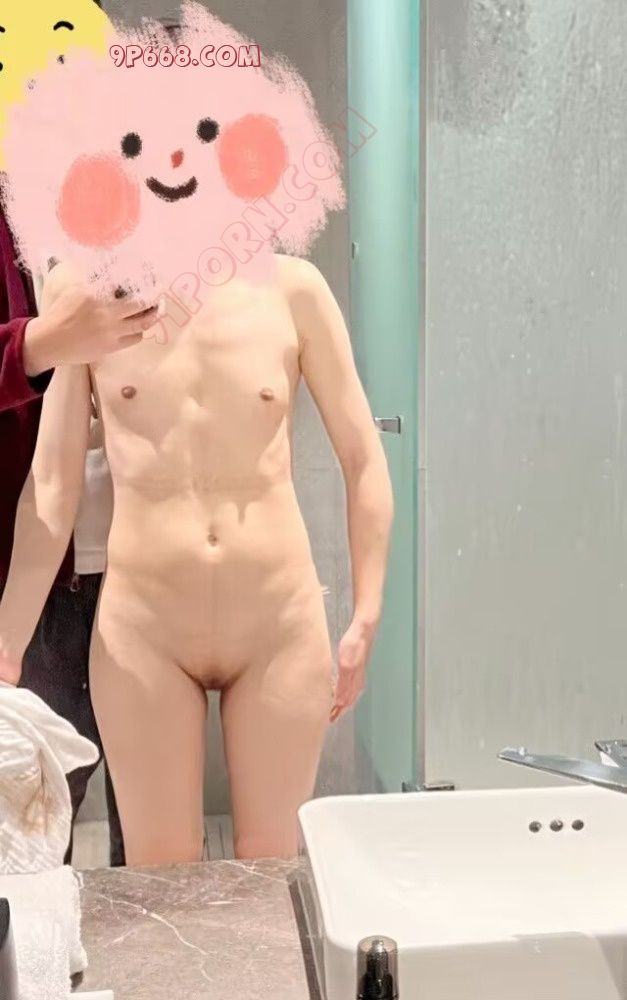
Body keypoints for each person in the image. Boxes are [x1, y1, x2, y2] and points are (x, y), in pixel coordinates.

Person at [0, 253, 394, 865]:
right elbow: (52, 483)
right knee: (162, 879)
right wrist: (6, 648)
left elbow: (363, 457)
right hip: (144, 630)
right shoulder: (84, 291)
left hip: (277, 623)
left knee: (271, 867)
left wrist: (366, 615)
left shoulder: (294, 289)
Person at [0, 208, 159, 864]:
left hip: (151, 573)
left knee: (154, 839)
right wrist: (36, 345)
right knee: (31, 830)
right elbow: (50, 480)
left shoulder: (165, 213)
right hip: (31, 578)